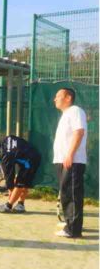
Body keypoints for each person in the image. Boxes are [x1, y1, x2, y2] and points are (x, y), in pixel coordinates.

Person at [53, 87, 87, 238]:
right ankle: (71, 222)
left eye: (58, 96)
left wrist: (70, 155)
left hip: (72, 160)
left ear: (68, 98)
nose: (55, 99)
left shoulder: (75, 110)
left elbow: (79, 132)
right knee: (66, 193)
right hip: (63, 160)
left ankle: (73, 230)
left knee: (72, 194)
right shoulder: (67, 114)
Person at [0, 136, 41, 213]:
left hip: (30, 160)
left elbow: (9, 176)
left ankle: (8, 206)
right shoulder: (5, 140)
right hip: (31, 156)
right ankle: (20, 205)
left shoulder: (4, 155)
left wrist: (10, 190)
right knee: (23, 182)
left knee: (20, 183)